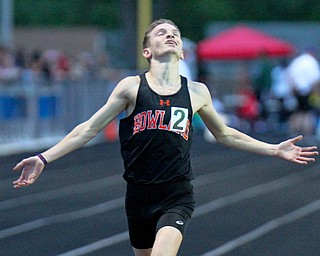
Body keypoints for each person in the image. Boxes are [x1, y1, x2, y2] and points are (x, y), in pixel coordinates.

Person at [12, 19, 318, 256]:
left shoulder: (197, 92)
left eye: (174, 32)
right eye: (160, 33)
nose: (169, 35)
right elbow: (88, 128)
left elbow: (224, 133)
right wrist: (43, 157)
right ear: (147, 51)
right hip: (139, 195)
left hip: (177, 194)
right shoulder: (131, 87)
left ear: (182, 51)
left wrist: (274, 149)